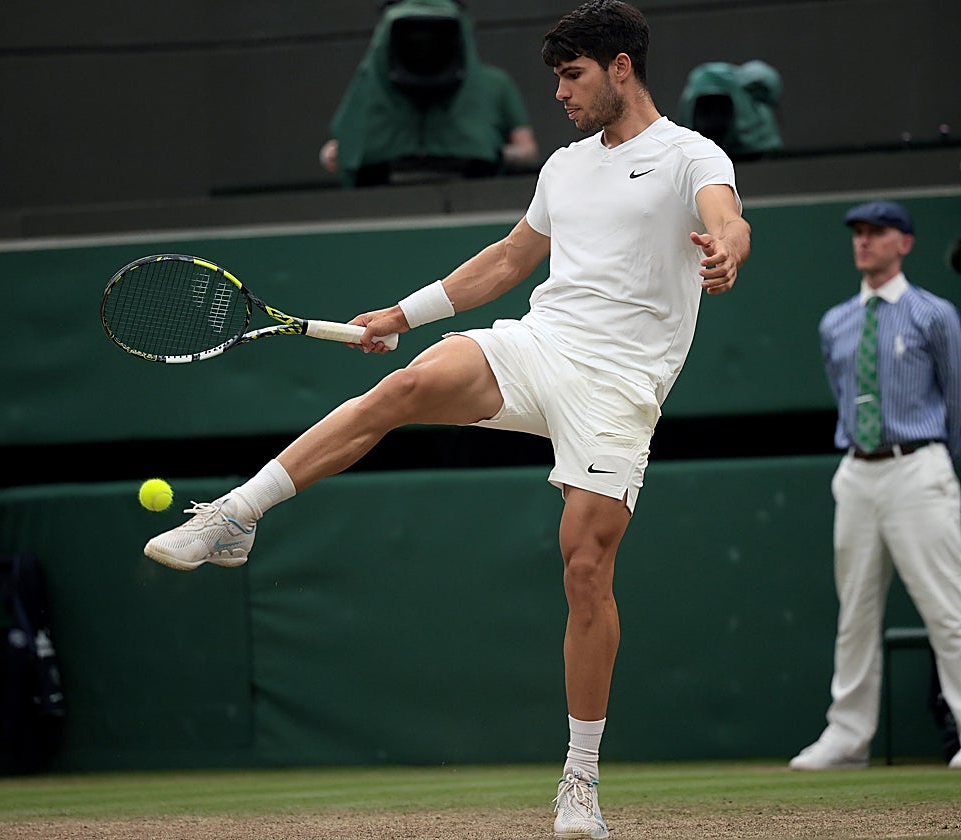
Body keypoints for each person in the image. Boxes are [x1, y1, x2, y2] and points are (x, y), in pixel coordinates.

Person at [149, 1, 749, 836]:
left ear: (621, 68)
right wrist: (403, 314)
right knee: (405, 387)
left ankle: (579, 781)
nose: (560, 95)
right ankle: (235, 516)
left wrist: (726, 248)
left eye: (573, 76)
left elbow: (728, 218)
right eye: (557, 79)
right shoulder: (564, 167)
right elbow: (507, 260)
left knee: (585, 570)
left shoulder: (691, 154)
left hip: (620, 386)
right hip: (541, 344)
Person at [789, 200, 961, 772]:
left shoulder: (934, 315)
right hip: (857, 471)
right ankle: (848, 735)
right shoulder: (835, 323)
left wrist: (942, 469)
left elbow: (956, 400)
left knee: (948, 608)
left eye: (878, 232)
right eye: (858, 233)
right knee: (856, 611)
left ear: (904, 243)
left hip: (919, 466)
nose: (864, 241)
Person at [318, 0, 539, 187]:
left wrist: (495, 154)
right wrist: (340, 152)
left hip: (471, 192)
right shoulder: (372, 87)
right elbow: (339, 151)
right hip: (387, 197)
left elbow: (528, 151)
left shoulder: (495, 84)